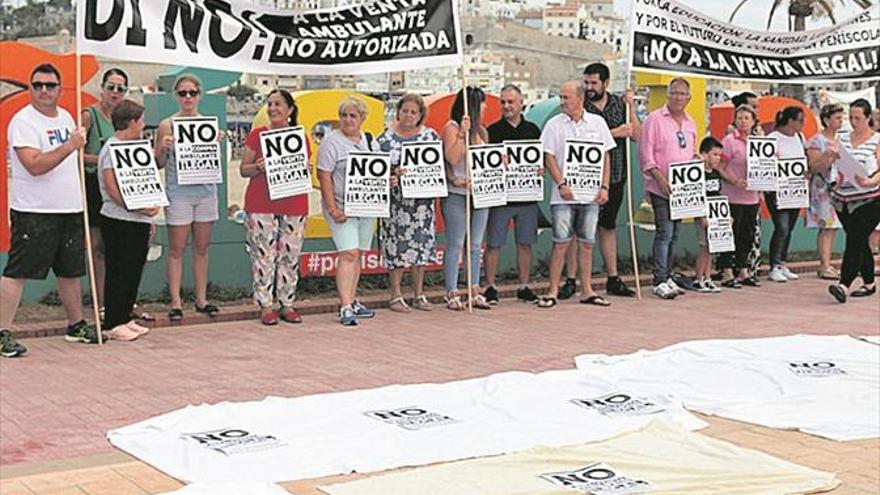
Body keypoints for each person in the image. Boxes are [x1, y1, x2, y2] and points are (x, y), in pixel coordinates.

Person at [0, 63, 98, 353]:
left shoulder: (67, 116)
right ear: (30, 88)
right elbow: (34, 165)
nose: (44, 90)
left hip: (68, 207)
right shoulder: (23, 122)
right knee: (18, 271)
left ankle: (76, 324)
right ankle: (2, 331)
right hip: (34, 211)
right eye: (37, 85)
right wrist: (70, 146)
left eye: (50, 85)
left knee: (69, 270)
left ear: (59, 89)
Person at [537, 80, 614, 309]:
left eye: (566, 97)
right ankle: (552, 290)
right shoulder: (553, 124)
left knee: (587, 243)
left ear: (579, 99)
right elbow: (548, 156)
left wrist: (605, 186)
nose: (562, 101)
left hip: (590, 196)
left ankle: (587, 289)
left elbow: (605, 156)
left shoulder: (598, 123)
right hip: (563, 196)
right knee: (560, 243)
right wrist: (561, 183)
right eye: (560, 97)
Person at [154, 74, 222, 321]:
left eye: (192, 93)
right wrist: (163, 147)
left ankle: (201, 299)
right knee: (176, 248)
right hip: (179, 192)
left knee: (202, 248)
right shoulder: (166, 125)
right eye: (183, 93)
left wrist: (216, 142)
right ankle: (176, 301)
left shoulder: (208, 125)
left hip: (205, 192)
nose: (188, 98)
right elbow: (158, 163)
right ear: (176, 96)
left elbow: (215, 162)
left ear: (199, 95)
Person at [239, 89, 308, 325]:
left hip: (294, 202)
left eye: (278, 104)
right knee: (263, 256)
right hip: (261, 202)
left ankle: (287, 303)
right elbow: (243, 169)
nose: (272, 108)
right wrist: (258, 167)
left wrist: (304, 168)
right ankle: (265, 305)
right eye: (269, 104)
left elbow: (304, 169)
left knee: (290, 255)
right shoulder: (257, 135)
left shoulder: (300, 137)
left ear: (290, 109)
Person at [97, 100, 157, 341]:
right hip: (118, 219)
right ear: (131, 122)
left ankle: (124, 315)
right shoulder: (111, 150)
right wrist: (139, 207)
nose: (142, 126)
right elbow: (112, 189)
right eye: (140, 121)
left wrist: (148, 212)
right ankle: (112, 321)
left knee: (133, 269)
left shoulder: (135, 148)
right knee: (119, 270)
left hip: (138, 220)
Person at [317, 96, 380, 326]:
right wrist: (332, 208)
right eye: (344, 115)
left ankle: (352, 300)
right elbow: (323, 175)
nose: (347, 120)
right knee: (348, 253)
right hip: (341, 207)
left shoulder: (370, 141)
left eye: (353, 115)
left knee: (358, 253)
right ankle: (344, 306)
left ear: (362, 118)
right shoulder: (331, 142)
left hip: (365, 206)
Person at [583, 62, 641, 298]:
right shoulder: (582, 106)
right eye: (586, 82)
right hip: (586, 175)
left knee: (608, 225)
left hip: (616, 173)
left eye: (594, 83)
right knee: (581, 229)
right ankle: (573, 278)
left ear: (605, 83)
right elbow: (586, 136)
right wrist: (615, 133)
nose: (589, 87)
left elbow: (636, 134)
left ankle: (613, 277)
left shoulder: (618, 104)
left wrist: (632, 108)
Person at [378, 93, 440, 313]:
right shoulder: (385, 139)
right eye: (405, 110)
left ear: (421, 114)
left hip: (422, 205)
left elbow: (439, 167)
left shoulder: (430, 137)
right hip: (396, 205)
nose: (409, 115)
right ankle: (395, 294)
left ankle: (418, 294)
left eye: (414, 112)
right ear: (398, 112)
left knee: (421, 247)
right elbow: (375, 172)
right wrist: (391, 176)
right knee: (396, 248)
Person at [638, 77, 698, 299]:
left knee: (675, 234)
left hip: (683, 189)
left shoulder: (691, 123)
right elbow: (646, 153)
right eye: (674, 93)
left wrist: (696, 161)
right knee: (665, 232)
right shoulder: (654, 119)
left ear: (689, 97)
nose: (678, 98)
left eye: (682, 94)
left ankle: (669, 274)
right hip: (660, 186)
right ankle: (659, 279)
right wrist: (659, 178)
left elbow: (691, 151)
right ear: (668, 95)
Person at [482, 84, 542, 305]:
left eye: (510, 102)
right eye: (503, 102)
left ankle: (524, 286)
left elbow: (540, 159)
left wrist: (540, 168)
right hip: (501, 197)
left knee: (525, 243)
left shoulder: (534, 130)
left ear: (521, 103)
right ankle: (490, 286)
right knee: (494, 243)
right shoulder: (492, 131)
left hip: (527, 197)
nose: (506, 106)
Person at [81, 68, 128, 314]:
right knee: (98, 248)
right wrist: (103, 159)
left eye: (120, 88)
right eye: (111, 87)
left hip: (121, 188)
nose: (115, 93)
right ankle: (100, 303)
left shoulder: (124, 120)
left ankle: (118, 299)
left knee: (118, 247)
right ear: (102, 88)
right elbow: (74, 153)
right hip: (94, 188)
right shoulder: (89, 116)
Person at [441, 87, 491, 311]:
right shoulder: (451, 128)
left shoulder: (482, 131)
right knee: (455, 243)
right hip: (457, 194)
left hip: (479, 194)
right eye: (481, 103)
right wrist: (462, 133)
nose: (485, 107)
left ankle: (474, 287)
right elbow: (452, 157)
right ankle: (451, 291)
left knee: (475, 244)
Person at [828, 99, 880, 303]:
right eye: (851, 117)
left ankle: (844, 284)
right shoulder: (842, 138)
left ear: (868, 118)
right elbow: (832, 163)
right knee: (859, 239)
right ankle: (869, 282)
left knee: (855, 238)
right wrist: (830, 158)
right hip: (844, 198)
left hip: (870, 199)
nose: (853, 121)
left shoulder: (877, 140)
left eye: (858, 118)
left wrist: (870, 181)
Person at [717, 104, 762, 288]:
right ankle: (727, 270)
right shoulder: (729, 141)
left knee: (747, 234)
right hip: (732, 195)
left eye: (746, 118)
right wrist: (734, 180)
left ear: (753, 122)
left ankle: (743, 269)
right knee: (731, 233)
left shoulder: (758, 142)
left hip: (751, 196)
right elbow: (719, 166)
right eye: (740, 118)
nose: (743, 122)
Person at [765, 106, 806, 283]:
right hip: (776, 189)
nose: (803, 124)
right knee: (781, 227)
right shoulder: (773, 138)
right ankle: (774, 265)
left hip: (794, 188)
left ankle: (782, 262)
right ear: (790, 121)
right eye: (800, 120)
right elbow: (765, 161)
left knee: (789, 227)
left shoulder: (799, 137)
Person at [806, 104, 845, 280]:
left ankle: (828, 262)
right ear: (827, 120)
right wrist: (828, 157)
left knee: (834, 226)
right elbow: (813, 166)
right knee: (826, 226)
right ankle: (824, 264)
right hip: (822, 188)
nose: (840, 120)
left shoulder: (843, 139)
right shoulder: (816, 140)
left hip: (839, 187)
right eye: (837, 117)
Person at [693, 137, 723, 293]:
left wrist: (724, 217)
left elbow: (718, 196)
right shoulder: (698, 174)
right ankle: (698, 279)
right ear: (704, 154)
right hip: (703, 216)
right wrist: (701, 216)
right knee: (704, 247)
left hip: (715, 216)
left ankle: (708, 277)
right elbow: (697, 196)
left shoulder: (716, 174)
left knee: (712, 248)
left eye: (719, 155)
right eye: (714, 154)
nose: (717, 158)